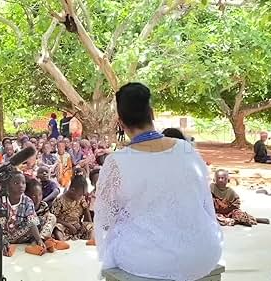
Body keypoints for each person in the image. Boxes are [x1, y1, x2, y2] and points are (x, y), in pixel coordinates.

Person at [95, 82, 222, 281]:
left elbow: (104, 221)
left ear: (120, 123)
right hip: (204, 253)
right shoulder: (186, 149)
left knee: (119, 235)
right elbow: (205, 203)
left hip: (148, 261)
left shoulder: (116, 161)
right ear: (152, 113)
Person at [25, 179, 69, 253]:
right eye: (33, 195)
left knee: (52, 217)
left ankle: (43, 241)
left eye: (40, 195)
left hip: (41, 232)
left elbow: (48, 221)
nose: (38, 198)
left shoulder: (43, 205)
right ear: (27, 195)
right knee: (36, 221)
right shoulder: (25, 206)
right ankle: (37, 244)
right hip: (29, 232)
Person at [52, 175, 94, 245]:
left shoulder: (81, 199)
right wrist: (69, 226)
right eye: (80, 194)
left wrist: (89, 223)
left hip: (77, 227)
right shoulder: (59, 200)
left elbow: (86, 209)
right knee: (57, 228)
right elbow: (54, 217)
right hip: (65, 226)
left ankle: (92, 240)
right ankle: (62, 243)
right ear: (72, 190)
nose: (82, 196)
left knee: (91, 226)